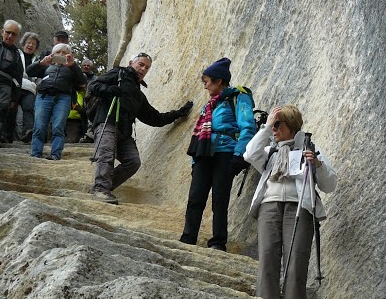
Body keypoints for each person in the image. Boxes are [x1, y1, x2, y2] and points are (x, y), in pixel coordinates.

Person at [243, 105, 337, 299]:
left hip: (300, 207)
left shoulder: (310, 148)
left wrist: (317, 165)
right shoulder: (269, 151)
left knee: (297, 258)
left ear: (291, 125)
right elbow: (249, 154)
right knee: (268, 256)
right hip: (269, 205)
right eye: (272, 125)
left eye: (277, 124)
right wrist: (265, 128)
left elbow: (330, 185)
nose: (274, 129)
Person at [87, 52, 193, 204]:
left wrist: (178, 113)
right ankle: (100, 189)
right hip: (106, 121)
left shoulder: (138, 95)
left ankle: (103, 187)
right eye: (141, 64)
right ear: (131, 63)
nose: (143, 69)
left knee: (133, 161)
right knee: (106, 154)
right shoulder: (118, 74)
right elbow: (93, 86)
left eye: (147, 68)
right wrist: (109, 90)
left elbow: (154, 118)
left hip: (124, 132)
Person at [179, 57, 256, 251]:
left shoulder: (238, 97)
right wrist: (194, 161)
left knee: (220, 199)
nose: (204, 86)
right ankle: (188, 238)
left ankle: (218, 242)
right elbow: (198, 136)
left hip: (226, 152)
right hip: (204, 154)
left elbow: (247, 126)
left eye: (207, 81)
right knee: (195, 197)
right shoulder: (209, 105)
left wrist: (239, 155)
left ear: (219, 81)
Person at [25, 42, 86, 160]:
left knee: (58, 126)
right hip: (44, 96)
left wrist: (73, 65)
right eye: (58, 52)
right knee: (39, 126)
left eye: (65, 52)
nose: (61, 54)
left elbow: (82, 83)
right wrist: (41, 62)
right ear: (53, 54)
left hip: (63, 98)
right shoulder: (46, 66)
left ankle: (55, 154)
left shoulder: (72, 68)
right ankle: (36, 153)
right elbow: (29, 71)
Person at [6, 31, 40, 143]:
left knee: (28, 109)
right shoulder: (16, 54)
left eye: (33, 44)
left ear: (36, 47)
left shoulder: (38, 60)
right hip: (15, 85)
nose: (30, 45)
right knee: (11, 109)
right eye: (28, 42)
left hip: (30, 89)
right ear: (23, 44)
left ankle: (28, 133)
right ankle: (6, 136)